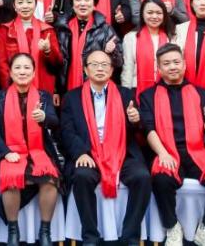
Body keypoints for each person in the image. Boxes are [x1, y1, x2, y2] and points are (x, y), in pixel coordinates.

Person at [139, 43, 205, 246]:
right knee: (161, 180)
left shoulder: (201, 93)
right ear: (159, 68)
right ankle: (172, 227)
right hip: (167, 150)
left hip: (196, 151)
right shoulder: (148, 96)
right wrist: (162, 154)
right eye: (166, 63)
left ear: (184, 64)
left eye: (176, 62)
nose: (172, 67)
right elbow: (148, 129)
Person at [60, 50, 150, 246]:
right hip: (89, 152)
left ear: (111, 70)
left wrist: (135, 120)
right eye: (94, 64)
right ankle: (90, 236)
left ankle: (130, 236)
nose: (100, 68)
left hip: (121, 152)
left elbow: (139, 129)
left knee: (142, 177)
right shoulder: (72, 97)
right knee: (82, 176)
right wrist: (80, 153)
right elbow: (66, 131)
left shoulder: (126, 95)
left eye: (104, 65)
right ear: (85, 70)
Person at [0, 53, 60, 246]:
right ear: (10, 73)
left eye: (27, 68)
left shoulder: (43, 96)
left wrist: (44, 118)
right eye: (17, 67)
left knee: (50, 179)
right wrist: (5, 153)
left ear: (34, 73)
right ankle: (13, 231)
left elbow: (54, 122)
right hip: (10, 152)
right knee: (11, 179)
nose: (22, 71)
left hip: (38, 152)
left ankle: (45, 231)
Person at [56, 0, 120, 92]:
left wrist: (112, 52)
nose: (82, 4)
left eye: (87, 0)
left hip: (96, 88)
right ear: (72, 4)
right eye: (78, 0)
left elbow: (119, 62)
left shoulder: (105, 29)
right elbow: (56, 64)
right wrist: (56, 90)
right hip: (66, 87)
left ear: (94, 4)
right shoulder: (62, 28)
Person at [0, 0, 60, 94]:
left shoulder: (46, 31)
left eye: (29, 2)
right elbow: (2, 64)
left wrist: (48, 51)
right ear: (14, 6)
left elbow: (57, 64)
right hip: (14, 88)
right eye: (20, 2)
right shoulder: (5, 30)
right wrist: (9, 88)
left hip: (42, 87)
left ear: (35, 4)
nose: (25, 6)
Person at [122, 0, 176, 92]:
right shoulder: (131, 38)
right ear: (142, 14)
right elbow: (128, 68)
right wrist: (126, 93)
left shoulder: (171, 37)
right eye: (150, 12)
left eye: (159, 13)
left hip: (167, 89)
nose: (154, 16)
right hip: (137, 88)